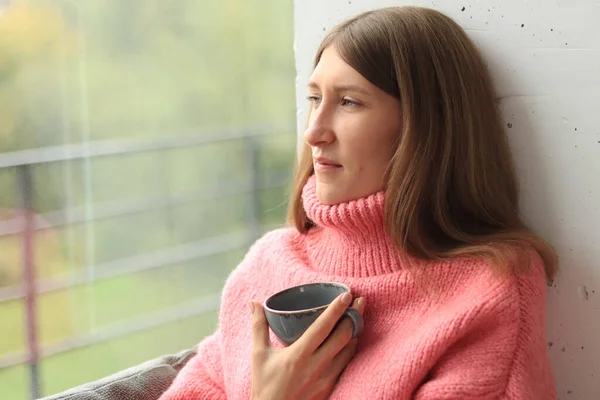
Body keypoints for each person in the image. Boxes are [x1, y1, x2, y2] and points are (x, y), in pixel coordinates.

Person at [159, 6, 558, 400]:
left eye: (349, 102)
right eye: (314, 98)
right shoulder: (266, 267)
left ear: (425, 127)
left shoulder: (489, 289)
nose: (314, 132)